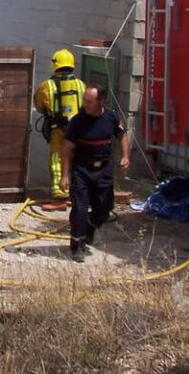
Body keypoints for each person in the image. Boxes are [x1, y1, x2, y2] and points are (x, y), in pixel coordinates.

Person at [59, 84, 130, 262]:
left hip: (103, 170)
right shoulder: (77, 121)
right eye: (85, 100)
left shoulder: (111, 117)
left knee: (104, 209)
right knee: (80, 208)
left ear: (101, 101)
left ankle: (90, 225)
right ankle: (77, 245)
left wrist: (125, 156)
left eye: (90, 102)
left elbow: (121, 136)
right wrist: (65, 175)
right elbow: (67, 148)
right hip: (81, 170)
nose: (85, 104)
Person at [33, 49, 87, 199]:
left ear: (55, 64)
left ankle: (59, 189)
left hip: (57, 129)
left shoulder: (47, 86)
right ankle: (76, 187)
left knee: (57, 156)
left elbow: (39, 105)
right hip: (78, 130)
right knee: (75, 156)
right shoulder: (81, 85)